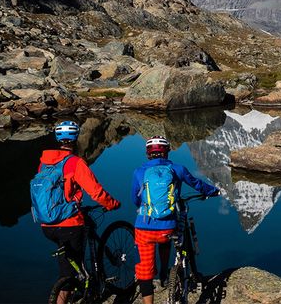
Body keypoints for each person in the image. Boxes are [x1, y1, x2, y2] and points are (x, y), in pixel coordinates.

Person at [33, 120, 120, 304]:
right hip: (69, 224)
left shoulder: (44, 164)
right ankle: (66, 295)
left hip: (47, 224)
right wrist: (112, 203)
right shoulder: (75, 163)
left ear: (58, 138)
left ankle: (82, 286)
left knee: (70, 260)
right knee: (67, 274)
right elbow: (95, 191)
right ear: (75, 137)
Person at [131, 136, 219, 304]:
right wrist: (213, 191)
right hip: (167, 227)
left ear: (148, 153)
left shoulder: (139, 172)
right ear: (167, 151)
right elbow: (196, 184)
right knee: (166, 240)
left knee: (144, 271)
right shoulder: (177, 169)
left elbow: (135, 198)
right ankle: (165, 272)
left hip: (144, 228)